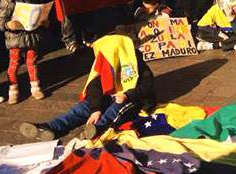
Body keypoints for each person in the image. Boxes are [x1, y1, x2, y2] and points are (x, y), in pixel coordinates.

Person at [19, 32, 155, 141]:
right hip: (108, 95)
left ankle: (99, 128)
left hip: (131, 99)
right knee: (82, 108)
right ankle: (52, 127)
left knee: (115, 110)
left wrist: (127, 95)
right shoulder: (104, 64)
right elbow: (94, 86)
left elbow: (146, 87)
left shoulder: (137, 64)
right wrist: (96, 108)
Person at [0, 0, 47, 104]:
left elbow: (38, 13)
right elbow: (0, 20)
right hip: (16, 37)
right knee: (14, 63)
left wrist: (44, 21)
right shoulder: (9, 0)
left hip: (31, 36)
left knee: (32, 62)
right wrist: (7, 25)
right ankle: (13, 90)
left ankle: (35, 87)